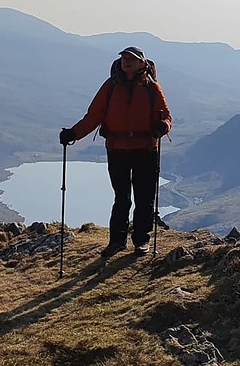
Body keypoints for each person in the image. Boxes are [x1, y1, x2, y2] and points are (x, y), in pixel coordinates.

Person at [59, 46, 172, 257]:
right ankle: (117, 242)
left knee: (144, 198)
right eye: (124, 58)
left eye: (132, 58)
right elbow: (93, 116)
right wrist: (73, 134)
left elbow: (166, 115)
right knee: (122, 197)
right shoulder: (110, 86)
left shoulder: (151, 87)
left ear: (142, 63)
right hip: (118, 150)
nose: (126, 61)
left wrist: (163, 125)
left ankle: (141, 241)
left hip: (145, 150)